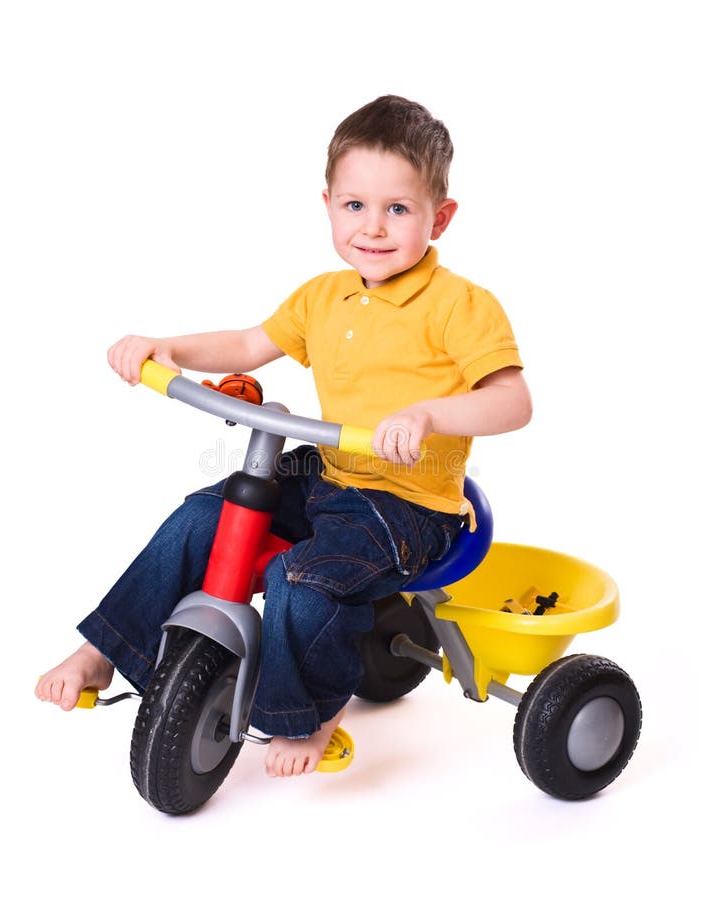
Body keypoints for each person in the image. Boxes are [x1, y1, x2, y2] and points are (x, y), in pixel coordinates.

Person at [36, 95, 532, 778]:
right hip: (331, 477)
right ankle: (111, 646)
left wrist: (427, 415)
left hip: (409, 507)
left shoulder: (459, 305)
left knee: (295, 576)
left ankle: (310, 715)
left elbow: (511, 403)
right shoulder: (322, 296)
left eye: (398, 209)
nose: (373, 228)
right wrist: (165, 346)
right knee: (204, 517)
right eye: (355, 206)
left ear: (438, 217)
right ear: (327, 203)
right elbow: (246, 342)